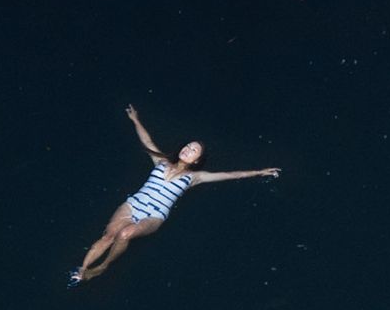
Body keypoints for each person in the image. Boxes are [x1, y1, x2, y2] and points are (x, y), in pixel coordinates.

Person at [73, 106, 280, 282]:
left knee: (125, 234)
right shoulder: (161, 162)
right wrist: (135, 119)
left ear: (197, 160)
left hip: (154, 216)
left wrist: (260, 172)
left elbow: (229, 174)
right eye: (188, 146)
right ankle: (82, 270)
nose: (187, 150)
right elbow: (148, 142)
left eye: (193, 151)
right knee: (109, 235)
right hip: (134, 204)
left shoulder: (195, 177)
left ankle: (103, 267)